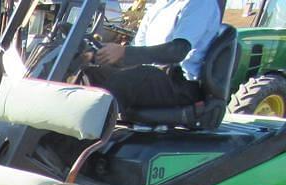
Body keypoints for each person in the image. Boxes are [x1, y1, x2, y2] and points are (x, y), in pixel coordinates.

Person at [84, 0, 222, 112]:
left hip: (181, 85)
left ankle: (84, 140)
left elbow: (178, 51)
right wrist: (96, 55)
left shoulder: (200, 3)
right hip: (154, 78)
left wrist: (124, 52)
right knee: (92, 74)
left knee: (131, 80)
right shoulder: (160, 6)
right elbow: (137, 53)